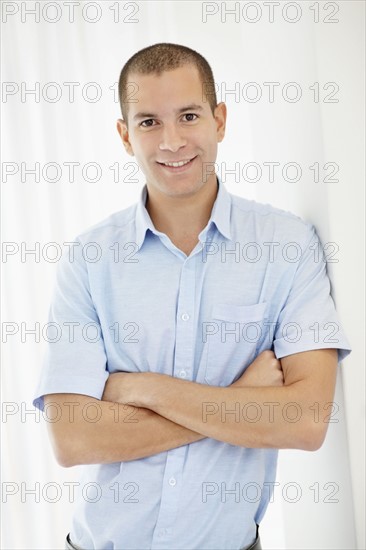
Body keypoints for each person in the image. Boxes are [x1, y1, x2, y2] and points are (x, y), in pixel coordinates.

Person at [33, 43, 351, 550]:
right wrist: (242, 401)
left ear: (219, 120)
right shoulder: (89, 258)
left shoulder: (286, 246)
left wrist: (145, 388)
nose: (172, 141)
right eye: (149, 122)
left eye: (188, 115)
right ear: (124, 135)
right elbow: (74, 439)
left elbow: (306, 420)